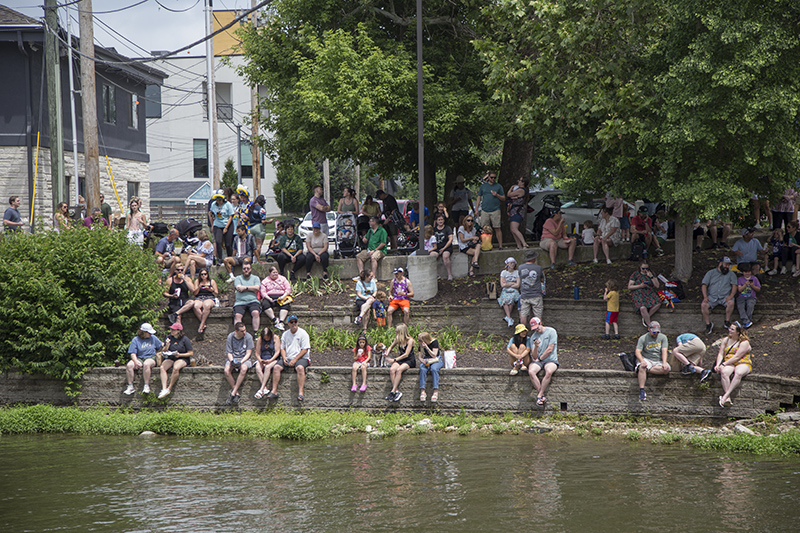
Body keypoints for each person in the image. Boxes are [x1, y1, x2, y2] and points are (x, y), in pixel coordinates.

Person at [266, 314, 311, 402]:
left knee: (300, 368)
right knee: (276, 367)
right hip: (288, 357)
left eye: (295, 321)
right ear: (288, 323)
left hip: (302, 358)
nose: (294, 323)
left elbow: (305, 350)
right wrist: (284, 358)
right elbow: (282, 348)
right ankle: (274, 391)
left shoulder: (303, 333)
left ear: (297, 322)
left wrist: (295, 359)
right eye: (291, 322)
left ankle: (300, 393)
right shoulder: (285, 334)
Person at [715, 321, 753, 407]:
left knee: (738, 373)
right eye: (730, 328)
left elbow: (737, 357)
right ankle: (728, 399)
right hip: (729, 363)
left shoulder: (744, 342)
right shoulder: (726, 340)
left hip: (742, 362)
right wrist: (718, 364)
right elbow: (721, 353)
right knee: (724, 372)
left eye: (732, 329)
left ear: (738, 332)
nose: (730, 330)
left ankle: (725, 396)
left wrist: (724, 364)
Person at [701, 256, 738, 335]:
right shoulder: (710, 273)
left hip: (725, 296)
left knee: (731, 303)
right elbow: (704, 285)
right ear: (720, 263)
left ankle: (727, 321)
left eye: (728, 265)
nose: (727, 267)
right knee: (703, 305)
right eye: (725, 264)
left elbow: (734, 286)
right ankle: (708, 324)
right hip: (712, 297)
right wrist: (705, 297)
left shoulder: (731, 274)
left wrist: (731, 296)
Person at [634, 321, 670, 401]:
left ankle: (648, 370)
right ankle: (642, 390)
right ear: (649, 329)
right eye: (654, 332)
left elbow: (664, 351)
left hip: (658, 360)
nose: (655, 334)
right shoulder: (643, 338)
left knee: (666, 369)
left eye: (657, 332)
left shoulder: (663, 337)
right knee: (642, 367)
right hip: (647, 358)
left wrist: (664, 363)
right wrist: (642, 361)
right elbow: (637, 351)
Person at [124, 323, 163, 395]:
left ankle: (146, 385)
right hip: (139, 358)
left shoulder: (153, 338)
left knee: (146, 364)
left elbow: (161, 346)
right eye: (149, 333)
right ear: (143, 332)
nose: (150, 334)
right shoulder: (135, 340)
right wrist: (136, 361)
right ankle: (130, 386)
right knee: (129, 365)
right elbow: (133, 353)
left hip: (151, 357)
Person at [157, 323, 194, 399]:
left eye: (173, 330)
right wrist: (167, 345)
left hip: (182, 357)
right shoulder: (169, 337)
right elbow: (164, 350)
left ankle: (169, 388)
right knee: (162, 367)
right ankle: (164, 388)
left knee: (176, 367)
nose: (171, 331)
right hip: (171, 357)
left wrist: (180, 355)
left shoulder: (185, 339)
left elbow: (190, 353)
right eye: (171, 329)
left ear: (178, 331)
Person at [527, 317, 559, 406]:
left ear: (540, 323)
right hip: (539, 360)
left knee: (548, 371)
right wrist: (536, 347)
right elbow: (534, 356)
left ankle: (539, 395)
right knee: (531, 371)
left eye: (537, 327)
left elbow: (550, 349)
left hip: (550, 359)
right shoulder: (533, 337)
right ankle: (541, 395)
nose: (536, 330)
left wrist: (540, 358)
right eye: (534, 329)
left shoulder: (551, 331)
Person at [224, 322, 255, 405]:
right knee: (226, 370)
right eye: (242, 331)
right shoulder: (230, 337)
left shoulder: (248, 337)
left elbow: (248, 353)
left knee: (243, 369)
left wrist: (241, 362)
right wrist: (232, 361)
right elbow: (229, 352)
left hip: (245, 359)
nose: (244, 332)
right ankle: (236, 393)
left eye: (245, 330)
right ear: (236, 331)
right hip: (233, 358)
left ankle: (233, 393)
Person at [384, 323, 416, 401]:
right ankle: (396, 391)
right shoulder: (398, 339)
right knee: (392, 370)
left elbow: (406, 354)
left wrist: (394, 360)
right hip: (401, 359)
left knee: (399, 370)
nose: (395, 333)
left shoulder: (410, 340)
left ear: (401, 332)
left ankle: (392, 391)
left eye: (397, 331)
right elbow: (391, 346)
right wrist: (387, 352)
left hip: (409, 360)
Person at [476, 171, 505, 249]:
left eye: (494, 177)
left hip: (495, 209)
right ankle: (486, 245)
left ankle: (500, 245)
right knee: (485, 228)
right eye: (491, 177)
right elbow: (479, 197)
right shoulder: (483, 186)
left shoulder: (498, 186)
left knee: (497, 227)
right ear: (488, 177)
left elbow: (503, 198)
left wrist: (497, 195)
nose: (493, 179)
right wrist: (476, 209)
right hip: (485, 210)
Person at [628, 261, 661, 327]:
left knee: (658, 303)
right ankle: (649, 325)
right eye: (643, 268)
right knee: (642, 308)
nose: (645, 270)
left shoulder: (651, 274)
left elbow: (657, 286)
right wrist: (640, 286)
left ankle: (646, 317)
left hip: (649, 292)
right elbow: (629, 287)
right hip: (639, 292)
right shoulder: (636, 274)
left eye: (646, 268)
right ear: (640, 267)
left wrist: (651, 277)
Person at [259, 265, 292, 331]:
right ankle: (275, 320)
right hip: (270, 296)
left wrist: (283, 296)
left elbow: (288, 288)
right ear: (269, 273)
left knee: (286, 304)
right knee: (265, 304)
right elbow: (263, 292)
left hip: (281, 296)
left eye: (276, 272)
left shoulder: (283, 279)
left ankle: (281, 321)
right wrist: (269, 298)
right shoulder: (265, 281)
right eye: (273, 272)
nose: (275, 274)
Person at [233, 258, 261, 333]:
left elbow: (257, 288)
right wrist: (252, 288)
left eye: (248, 268)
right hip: (240, 302)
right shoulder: (238, 278)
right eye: (244, 269)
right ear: (242, 270)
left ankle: (256, 333)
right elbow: (239, 288)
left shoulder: (255, 278)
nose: (246, 270)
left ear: (251, 269)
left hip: (253, 301)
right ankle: (238, 332)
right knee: (237, 315)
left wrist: (245, 287)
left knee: (255, 313)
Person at [518, 249, 544, 327]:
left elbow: (520, 278)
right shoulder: (538, 268)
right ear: (533, 258)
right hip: (536, 295)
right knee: (538, 315)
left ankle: (523, 330)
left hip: (524, 295)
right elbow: (542, 279)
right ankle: (539, 330)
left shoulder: (520, 267)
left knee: (523, 314)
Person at [253, 327, 281, 399]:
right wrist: (260, 360)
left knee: (267, 367)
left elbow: (277, 352)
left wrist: (270, 360)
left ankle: (261, 389)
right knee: (257, 367)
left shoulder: (276, 338)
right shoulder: (260, 339)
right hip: (263, 358)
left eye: (267, 337)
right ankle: (265, 388)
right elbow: (257, 353)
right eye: (265, 338)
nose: (266, 339)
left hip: (273, 358)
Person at [209, 189, 234, 260]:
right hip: (217, 225)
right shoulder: (213, 204)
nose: (218, 201)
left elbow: (230, 216)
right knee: (218, 241)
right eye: (217, 200)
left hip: (227, 224)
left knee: (228, 244)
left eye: (220, 200)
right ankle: (220, 259)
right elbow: (211, 213)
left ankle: (229, 258)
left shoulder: (228, 204)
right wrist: (212, 224)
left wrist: (226, 227)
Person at [417, 332, 443, 402]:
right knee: (422, 369)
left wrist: (427, 348)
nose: (418, 341)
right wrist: (422, 361)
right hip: (427, 360)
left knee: (434, 369)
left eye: (420, 340)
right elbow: (419, 357)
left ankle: (435, 391)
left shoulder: (434, 342)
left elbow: (434, 355)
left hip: (436, 360)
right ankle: (422, 391)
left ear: (425, 340)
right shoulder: (420, 345)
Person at [191, 268, 218, 334]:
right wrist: (199, 287)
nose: (203, 276)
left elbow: (216, 293)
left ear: (207, 275)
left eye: (205, 274)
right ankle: (203, 323)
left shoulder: (212, 281)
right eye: (202, 274)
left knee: (206, 305)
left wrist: (211, 290)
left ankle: (201, 325)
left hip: (209, 297)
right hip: (199, 297)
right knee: (195, 306)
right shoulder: (197, 281)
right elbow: (195, 293)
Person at [430, 213, 454, 280]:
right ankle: (437, 274)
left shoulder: (447, 228)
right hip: (436, 247)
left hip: (446, 247)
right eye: (439, 220)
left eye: (442, 219)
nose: (440, 221)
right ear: (436, 221)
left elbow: (451, 239)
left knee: (445, 256)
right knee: (432, 256)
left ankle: (449, 274)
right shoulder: (434, 229)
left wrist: (444, 248)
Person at [736, 263, 761, 328]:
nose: (747, 273)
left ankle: (747, 320)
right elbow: (739, 289)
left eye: (748, 272)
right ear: (743, 272)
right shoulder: (740, 279)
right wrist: (745, 285)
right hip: (741, 297)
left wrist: (752, 286)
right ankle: (746, 321)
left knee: (750, 305)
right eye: (745, 272)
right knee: (740, 306)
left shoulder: (754, 278)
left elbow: (758, 289)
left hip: (751, 297)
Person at [498, 256, 521, 327]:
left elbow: (517, 285)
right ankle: (509, 317)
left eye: (513, 263)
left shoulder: (517, 272)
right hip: (505, 291)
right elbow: (502, 285)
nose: (512, 264)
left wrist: (507, 284)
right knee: (505, 299)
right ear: (507, 264)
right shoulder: (503, 273)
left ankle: (508, 317)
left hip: (514, 291)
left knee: (511, 300)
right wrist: (512, 283)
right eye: (511, 263)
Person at [507, 176, 529, 249]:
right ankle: (518, 245)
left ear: (523, 183)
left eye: (520, 180)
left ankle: (524, 243)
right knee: (512, 229)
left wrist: (511, 188)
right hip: (514, 210)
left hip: (517, 211)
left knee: (514, 229)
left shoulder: (521, 190)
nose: (518, 181)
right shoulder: (520, 190)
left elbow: (509, 194)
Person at [249, 194, 268, 260]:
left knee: (252, 245)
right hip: (259, 227)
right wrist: (269, 221)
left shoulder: (251, 207)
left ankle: (251, 258)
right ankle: (257, 259)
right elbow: (263, 221)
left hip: (251, 227)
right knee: (258, 245)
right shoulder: (261, 209)